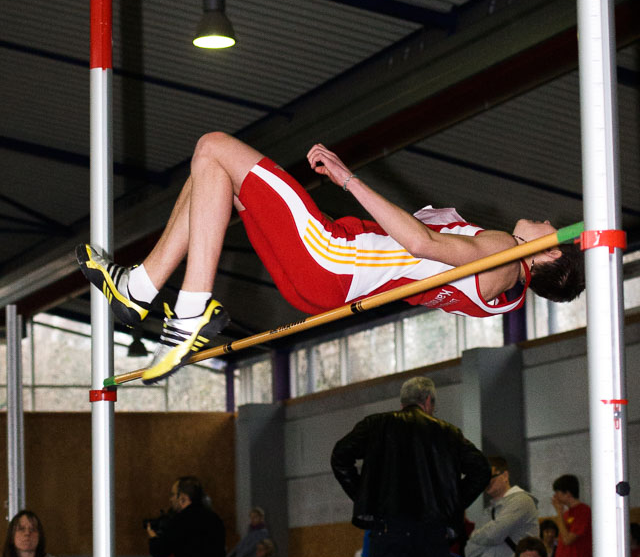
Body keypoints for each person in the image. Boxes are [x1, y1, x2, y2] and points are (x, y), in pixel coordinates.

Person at [75, 134, 585, 385]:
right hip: (326, 283)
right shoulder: (501, 294)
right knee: (212, 172)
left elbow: (423, 244)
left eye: (550, 227)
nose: (542, 217)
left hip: (332, 258)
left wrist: (348, 180)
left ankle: (184, 313)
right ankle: (140, 288)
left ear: (549, 253)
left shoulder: (504, 254)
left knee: (213, 146)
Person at [331, 375, 491, 557]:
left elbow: (340, 456)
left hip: (387, 528)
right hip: (430, 529)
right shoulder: (447, 432)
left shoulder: (376, 424)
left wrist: (364, 498)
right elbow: (481, 469)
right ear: (428, 402)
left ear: (402, 402)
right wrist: (451, 506)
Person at [464, 457, 540, 557]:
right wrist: (487, 535)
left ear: (505, 475)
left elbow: (494, 534)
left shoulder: (521, 501)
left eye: (491, 477)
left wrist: (477, 536)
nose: (487, 482)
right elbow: (469, 554)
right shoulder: (487, 512)